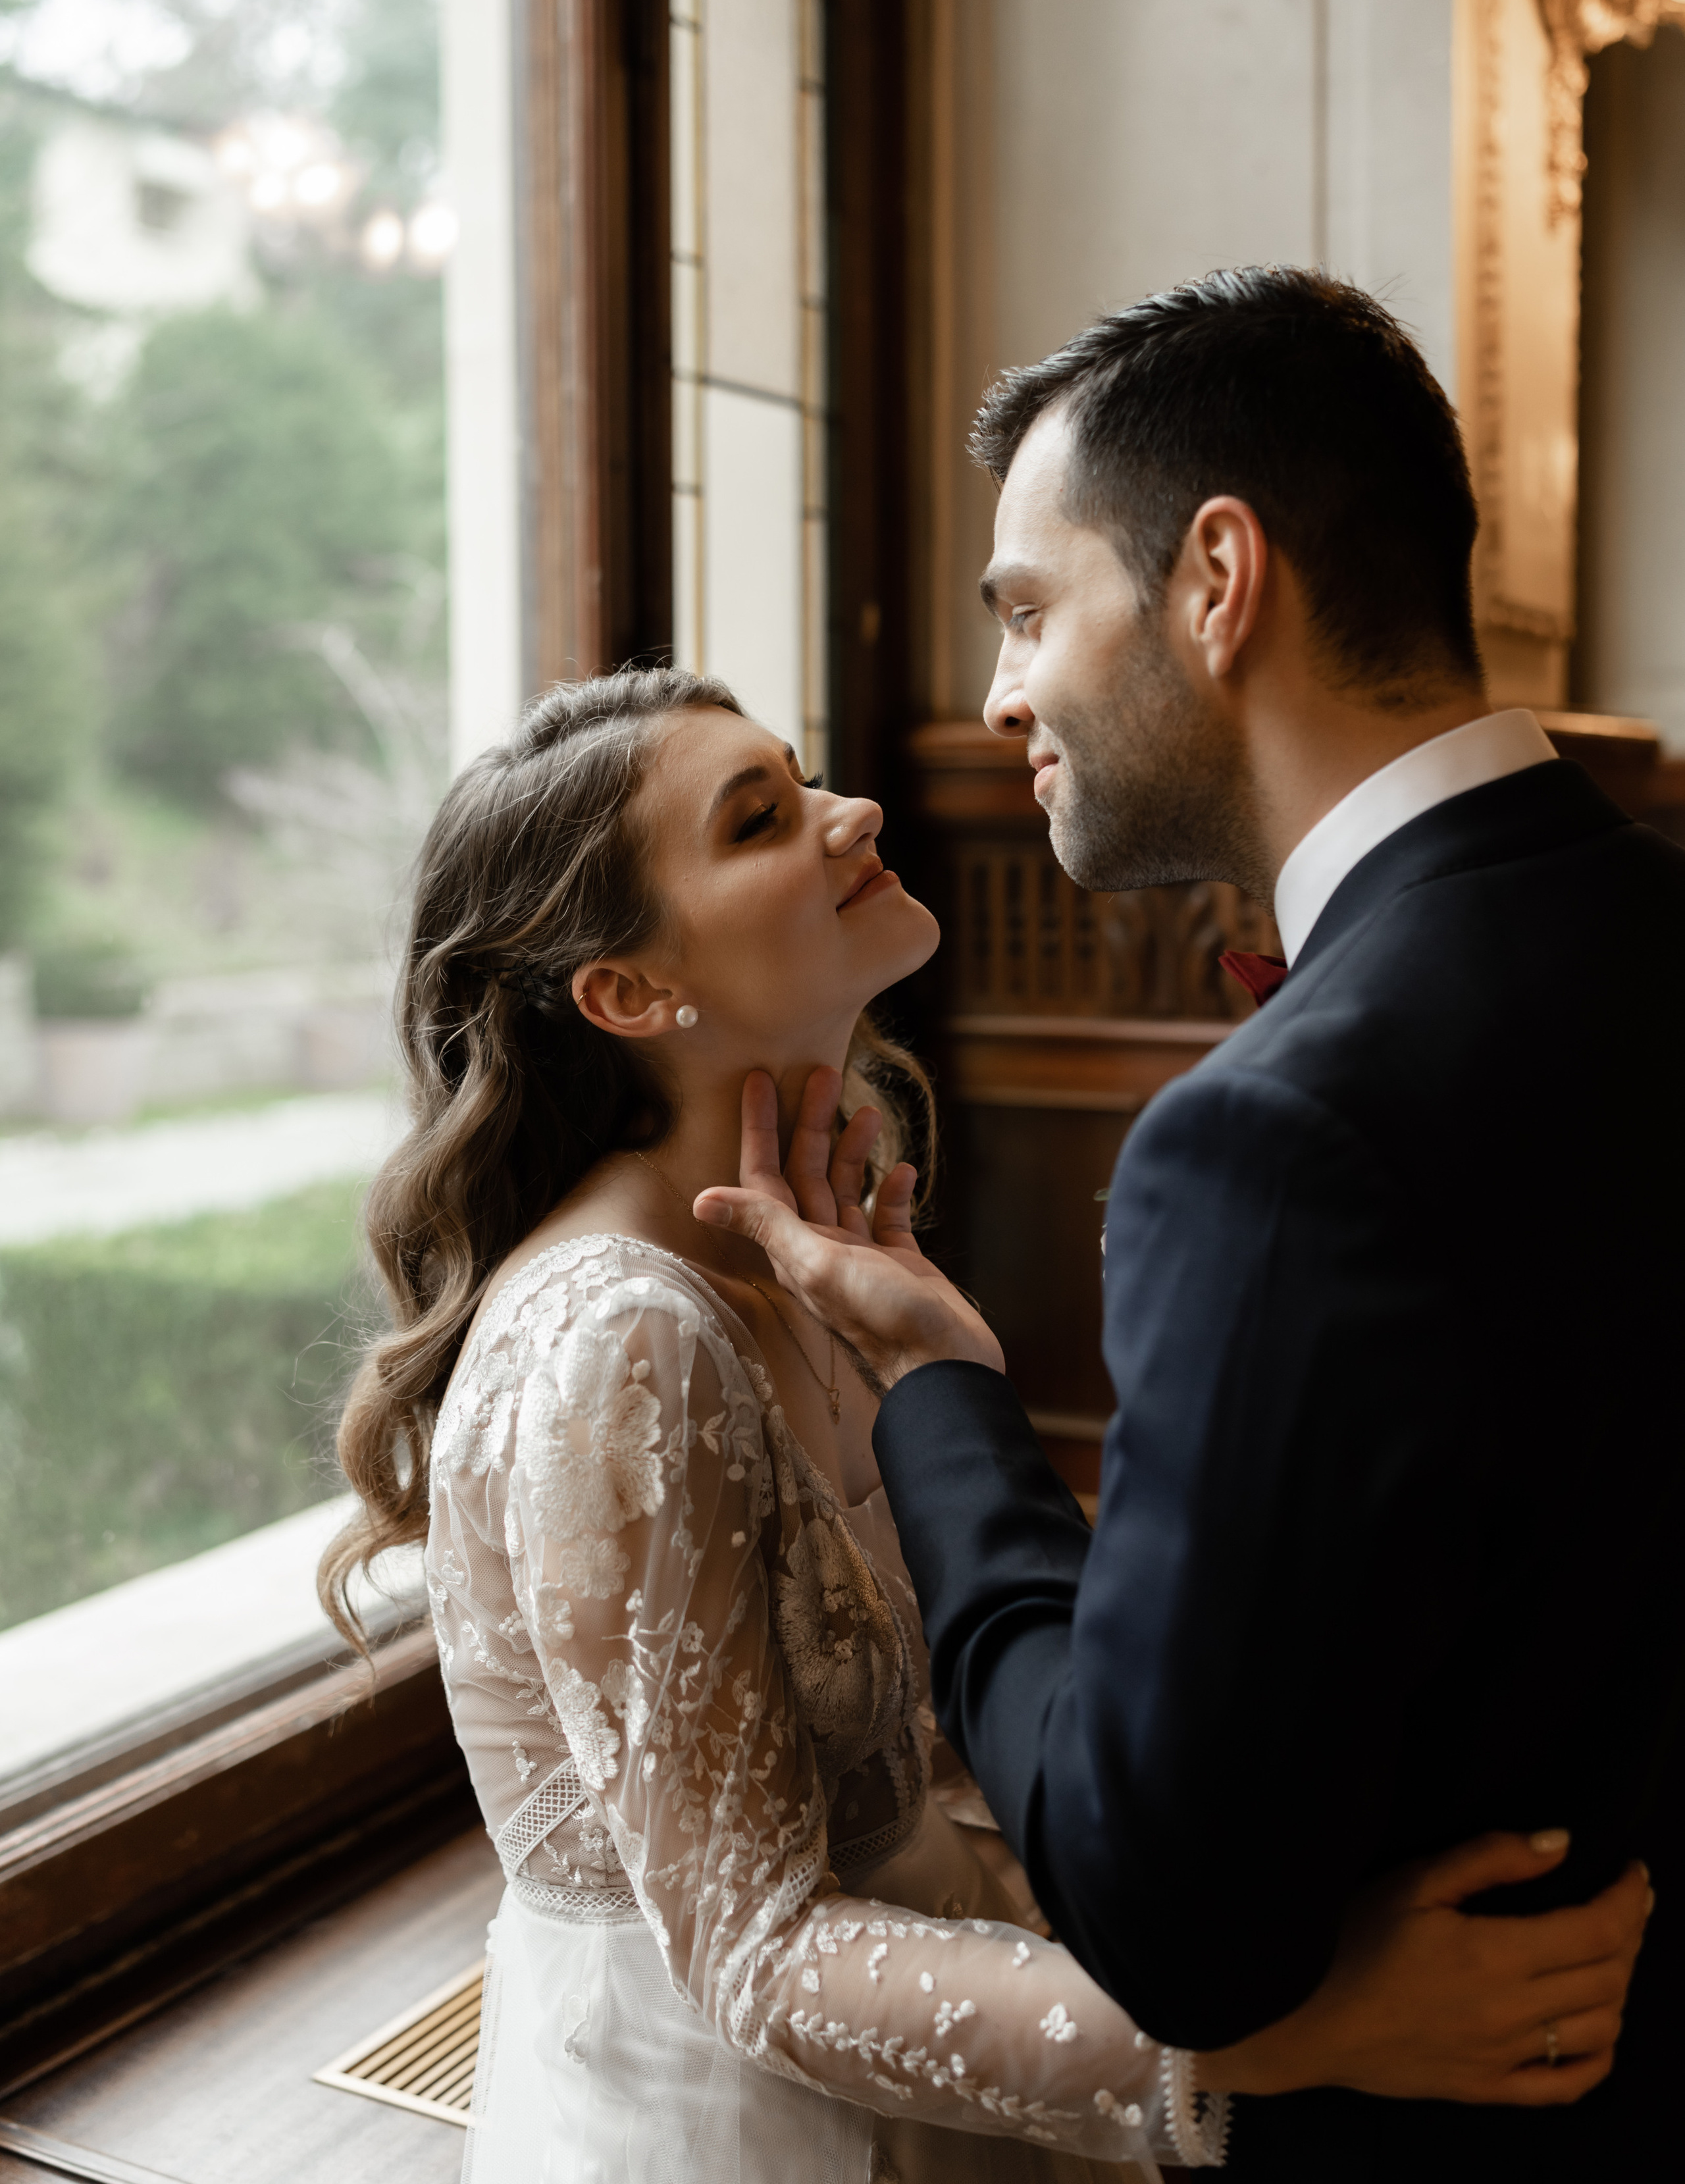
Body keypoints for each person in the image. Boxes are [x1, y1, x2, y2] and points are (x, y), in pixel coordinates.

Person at [323, 650, 1647, 2183]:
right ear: (626, 991)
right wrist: (1272, 2032)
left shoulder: (811, 1242)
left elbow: (953, 1737)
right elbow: (750, 1953)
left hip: (959, 2049)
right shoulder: (618, 1337)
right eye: (760, 818)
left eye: (802, 773)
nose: (851, 808)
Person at [690, 269, 1683, 2181]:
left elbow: (1171, 1918)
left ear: (1220, 582)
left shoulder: (1280, 1134)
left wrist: (936, 1387)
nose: (998, 698)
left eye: (1031, 609)